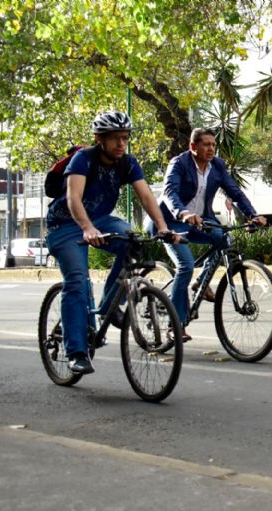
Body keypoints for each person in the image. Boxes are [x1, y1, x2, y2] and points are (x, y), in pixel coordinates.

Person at [46, 111, 182, 375]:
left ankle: (110, 305)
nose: (121, 144)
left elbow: (146, 196)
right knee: (77, 280)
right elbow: (74, 198)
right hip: (65, 225)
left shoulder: (127, 163)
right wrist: (86, 228)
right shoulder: (83, 159)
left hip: (100, 220)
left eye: (125, 138)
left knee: (133, 240)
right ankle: (76, 352)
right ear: (99, 139)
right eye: (115, 139)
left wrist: (164, 228)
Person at [146, 127, 266, 341]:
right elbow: (170, 192)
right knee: (185, 265)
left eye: (213, 145)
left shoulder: (217, 166)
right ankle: (177, 325)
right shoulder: (179, 163)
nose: (211, 148)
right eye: (206, 144)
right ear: (193, 147)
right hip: (170, 222)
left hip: (201, 221)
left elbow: (235, 192)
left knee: (223, 239)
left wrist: (252, 215)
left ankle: (201, 282)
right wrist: (183, 213)